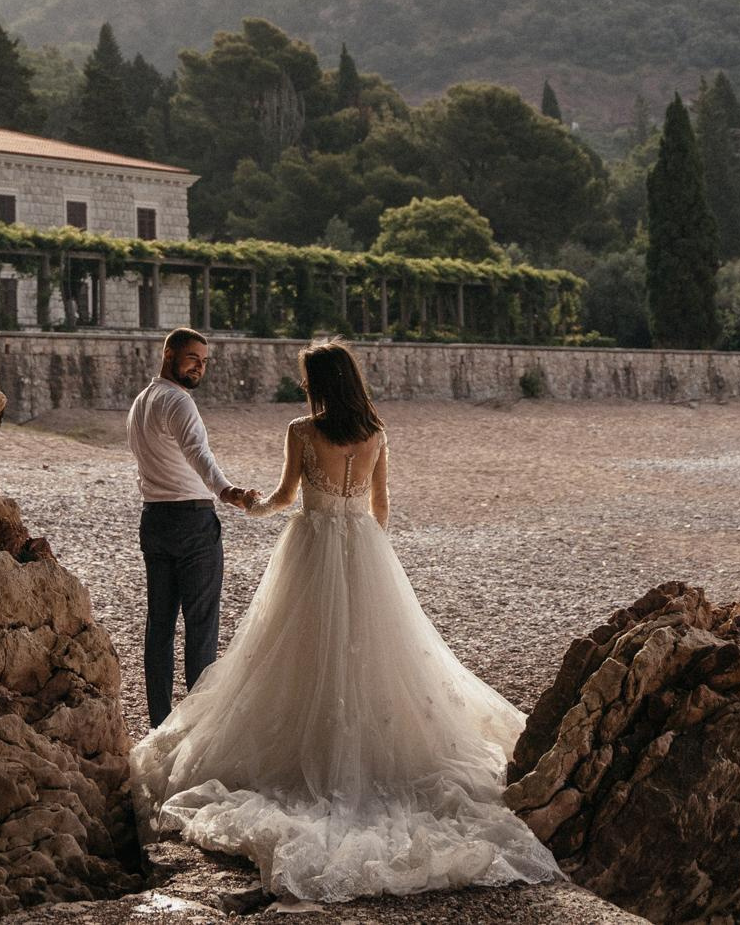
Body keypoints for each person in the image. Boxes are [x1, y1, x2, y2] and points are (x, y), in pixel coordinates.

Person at [128, 340, 560, 903]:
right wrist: (371, 554)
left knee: (296, 653)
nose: (304, 387)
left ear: (319, 384)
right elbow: (381, 508)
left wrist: (247, 504)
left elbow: (285, 496)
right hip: (365, 552)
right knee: (376, 654)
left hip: (310, 549)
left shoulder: (302, 432)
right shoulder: (377, 434)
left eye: (308, 380)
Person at [127, 327, 255, 727]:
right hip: (191, 521)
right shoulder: (178, 401)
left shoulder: (141, 401)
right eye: (192, 358)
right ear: (169, 354)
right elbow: (197, 452)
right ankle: (198, 727)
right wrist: (226, 490)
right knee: (201, 624)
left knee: (160, 626)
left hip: (154, 519)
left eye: (205, 361)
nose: (200, 367)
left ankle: (159, 723)